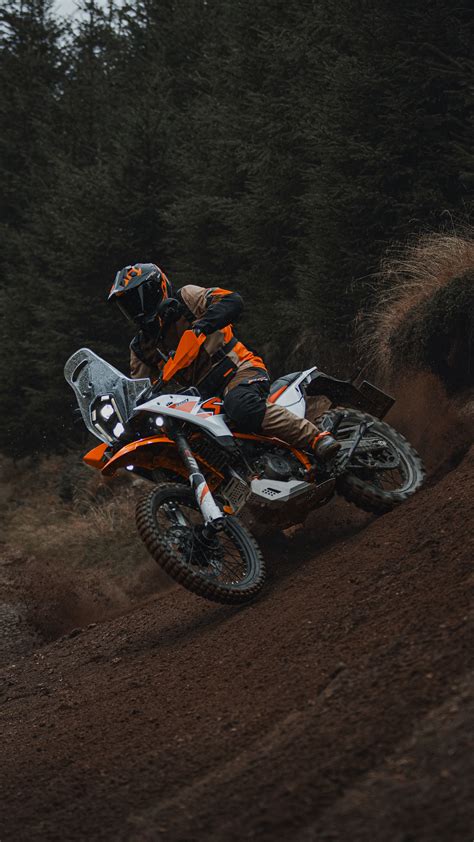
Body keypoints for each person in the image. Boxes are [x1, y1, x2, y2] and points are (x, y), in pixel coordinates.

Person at [108, 262, 340, 461]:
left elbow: (232, 300)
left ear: (154, 290)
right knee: (196, 441)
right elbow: (137, 393)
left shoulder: (186, 299)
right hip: (202, 397)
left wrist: (201, 326)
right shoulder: (141, 347)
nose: (133, 309)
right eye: (126, 305)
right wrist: (123, 437)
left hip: (239, 370)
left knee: (240, 405)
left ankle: (316, 438)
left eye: (135, 300)